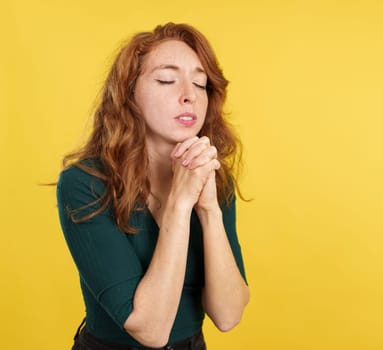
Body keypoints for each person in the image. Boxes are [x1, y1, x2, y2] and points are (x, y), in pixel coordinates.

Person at [56, 22, 250, 350]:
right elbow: (150, 330)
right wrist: (179, 202)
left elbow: (228, 315)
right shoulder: (85, 184)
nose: (189, 95)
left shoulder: (215, 179)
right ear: (128, 92)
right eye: (166, 80)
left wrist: (209, 211)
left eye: (200, 84)